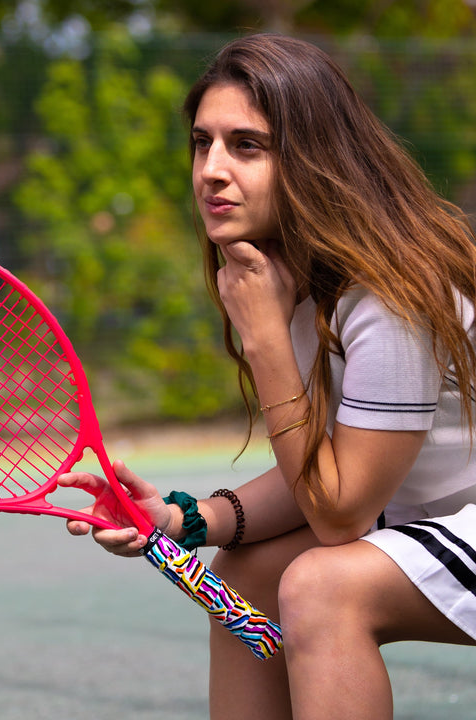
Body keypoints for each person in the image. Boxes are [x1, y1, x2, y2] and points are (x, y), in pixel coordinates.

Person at [58, 33, 476, 720]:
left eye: (246, 146)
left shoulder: (389, 294)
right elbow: (328, 465)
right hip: (429, 516)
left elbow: (338, 513)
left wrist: (263, 341)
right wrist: (182, 518)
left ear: (313, 160)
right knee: (247, 574)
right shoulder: (299, 272)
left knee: (322, 584)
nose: (211, 170)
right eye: (203, 142)